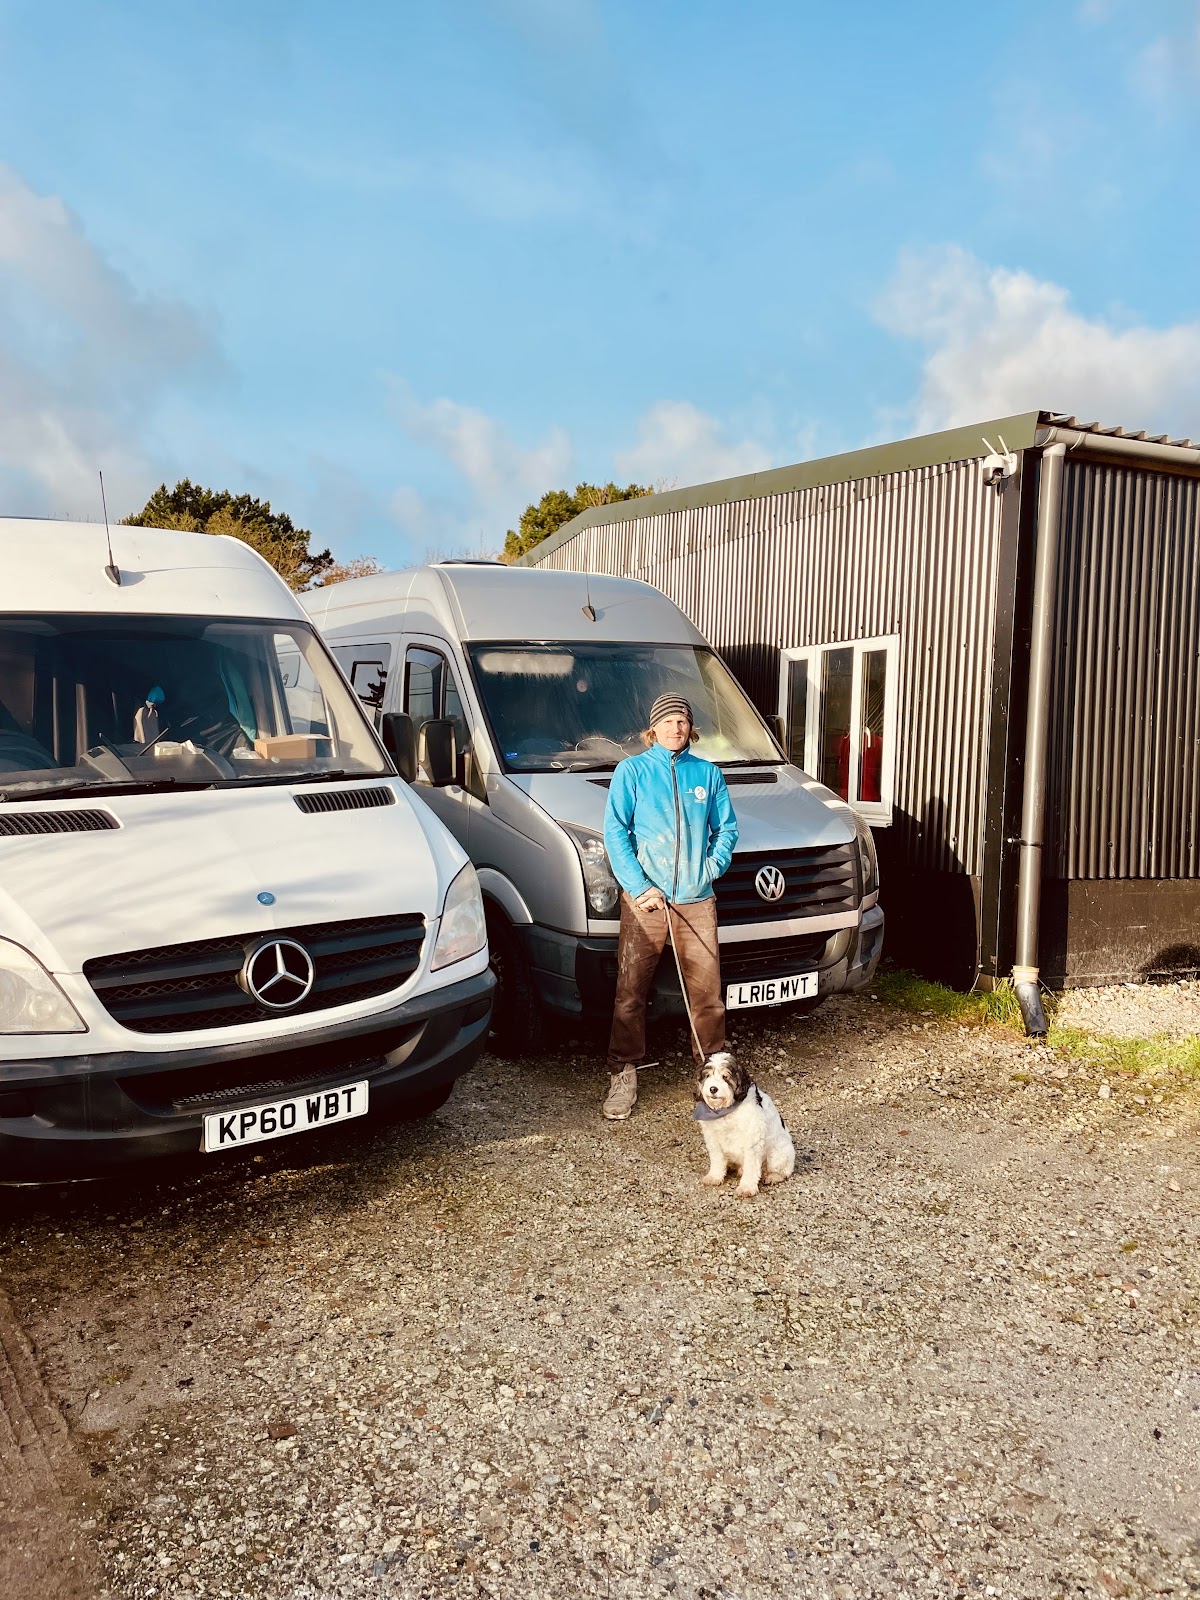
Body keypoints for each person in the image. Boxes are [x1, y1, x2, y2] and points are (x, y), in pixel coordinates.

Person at [601, 693, 739, 1120]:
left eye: (682, 721)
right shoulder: (633, 771)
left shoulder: (707, 773)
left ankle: (715, 1080)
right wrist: (639, 886)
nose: (676, 728)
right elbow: (615, 832)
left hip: (697, 901)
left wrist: (710, 869)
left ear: (690, 728)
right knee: (630, 994)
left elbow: (727, 828)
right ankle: (623, 1073)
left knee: (708, 997)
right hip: (646, 903)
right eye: (668, 721)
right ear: (653, 728)